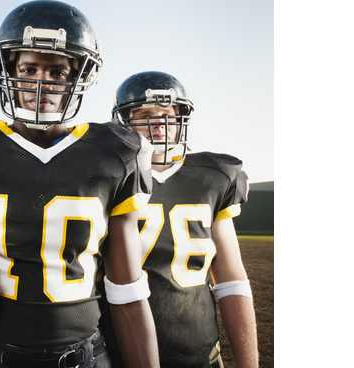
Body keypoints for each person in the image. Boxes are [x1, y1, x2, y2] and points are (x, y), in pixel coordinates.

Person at [0, 0, 160, 368]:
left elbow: (129, 293)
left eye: (58, 73)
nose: (41, 83)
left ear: (80, 78)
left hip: (85, 356)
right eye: (28, 68)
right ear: (6, 69)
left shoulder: (116, 154)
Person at [103, 71, 259, 368]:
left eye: (167, 113)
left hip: (200, 355)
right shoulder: (108, 176)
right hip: (117, 355)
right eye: (146, 113)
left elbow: (232, 280)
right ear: (123, 122)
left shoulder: (213, 177)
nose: (159, 122)